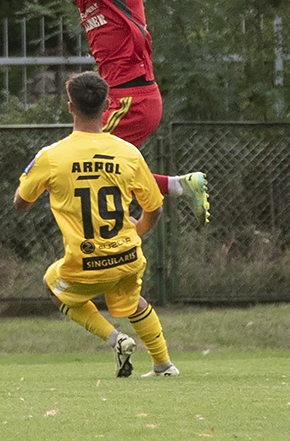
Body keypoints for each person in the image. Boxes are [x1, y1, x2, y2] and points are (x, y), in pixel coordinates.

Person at [0, 0, 209, 225]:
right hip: (120, 95)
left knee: (90, 167)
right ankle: (178, 187)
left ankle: (122, 240)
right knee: (96, 169)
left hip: (131, 97)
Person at [14, 70, 179, 377]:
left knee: (53, 284)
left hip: (85, 264)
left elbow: (20, 203)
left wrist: (50, 185)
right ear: (107, 106)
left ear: (70, 107)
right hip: (128, 257)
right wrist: (137, 229)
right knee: (133, 302)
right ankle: (163, 365)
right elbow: (154, 207)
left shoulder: (52, 156)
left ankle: (115, 338)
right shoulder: (127, 153)